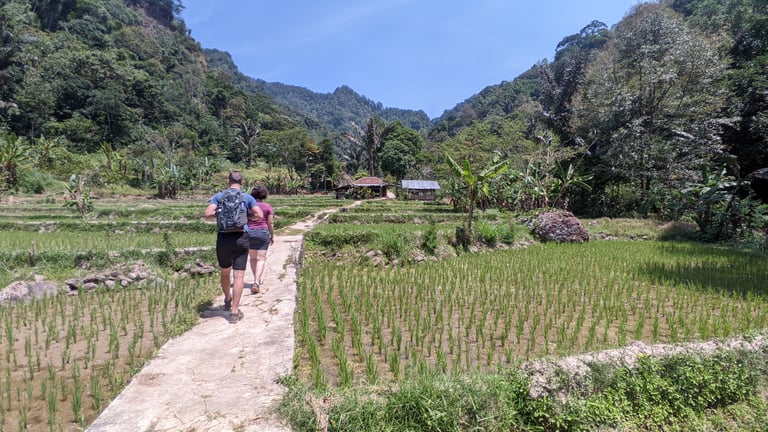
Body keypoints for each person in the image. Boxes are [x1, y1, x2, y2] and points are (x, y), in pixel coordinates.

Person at [205, 171, 263, 323]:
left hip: (223, 238)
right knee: (239, 276)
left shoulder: (219, 196)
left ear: (228, 181)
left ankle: (227, 299)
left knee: (225, 272)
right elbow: (260, 215)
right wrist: (246, 217)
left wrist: (220, 215)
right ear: (242, 182)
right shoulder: (247, 197)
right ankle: (235, 312)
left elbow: (208, 213)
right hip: (241, 237)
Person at [246, 184, 274, 294]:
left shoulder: (249, 206)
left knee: (253, 258)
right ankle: (257, 281)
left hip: (249, 232)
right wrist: (272, 235)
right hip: (263, 233)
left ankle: (256, 280)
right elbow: (270, 223)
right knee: (261, 259)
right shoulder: (267, 207)